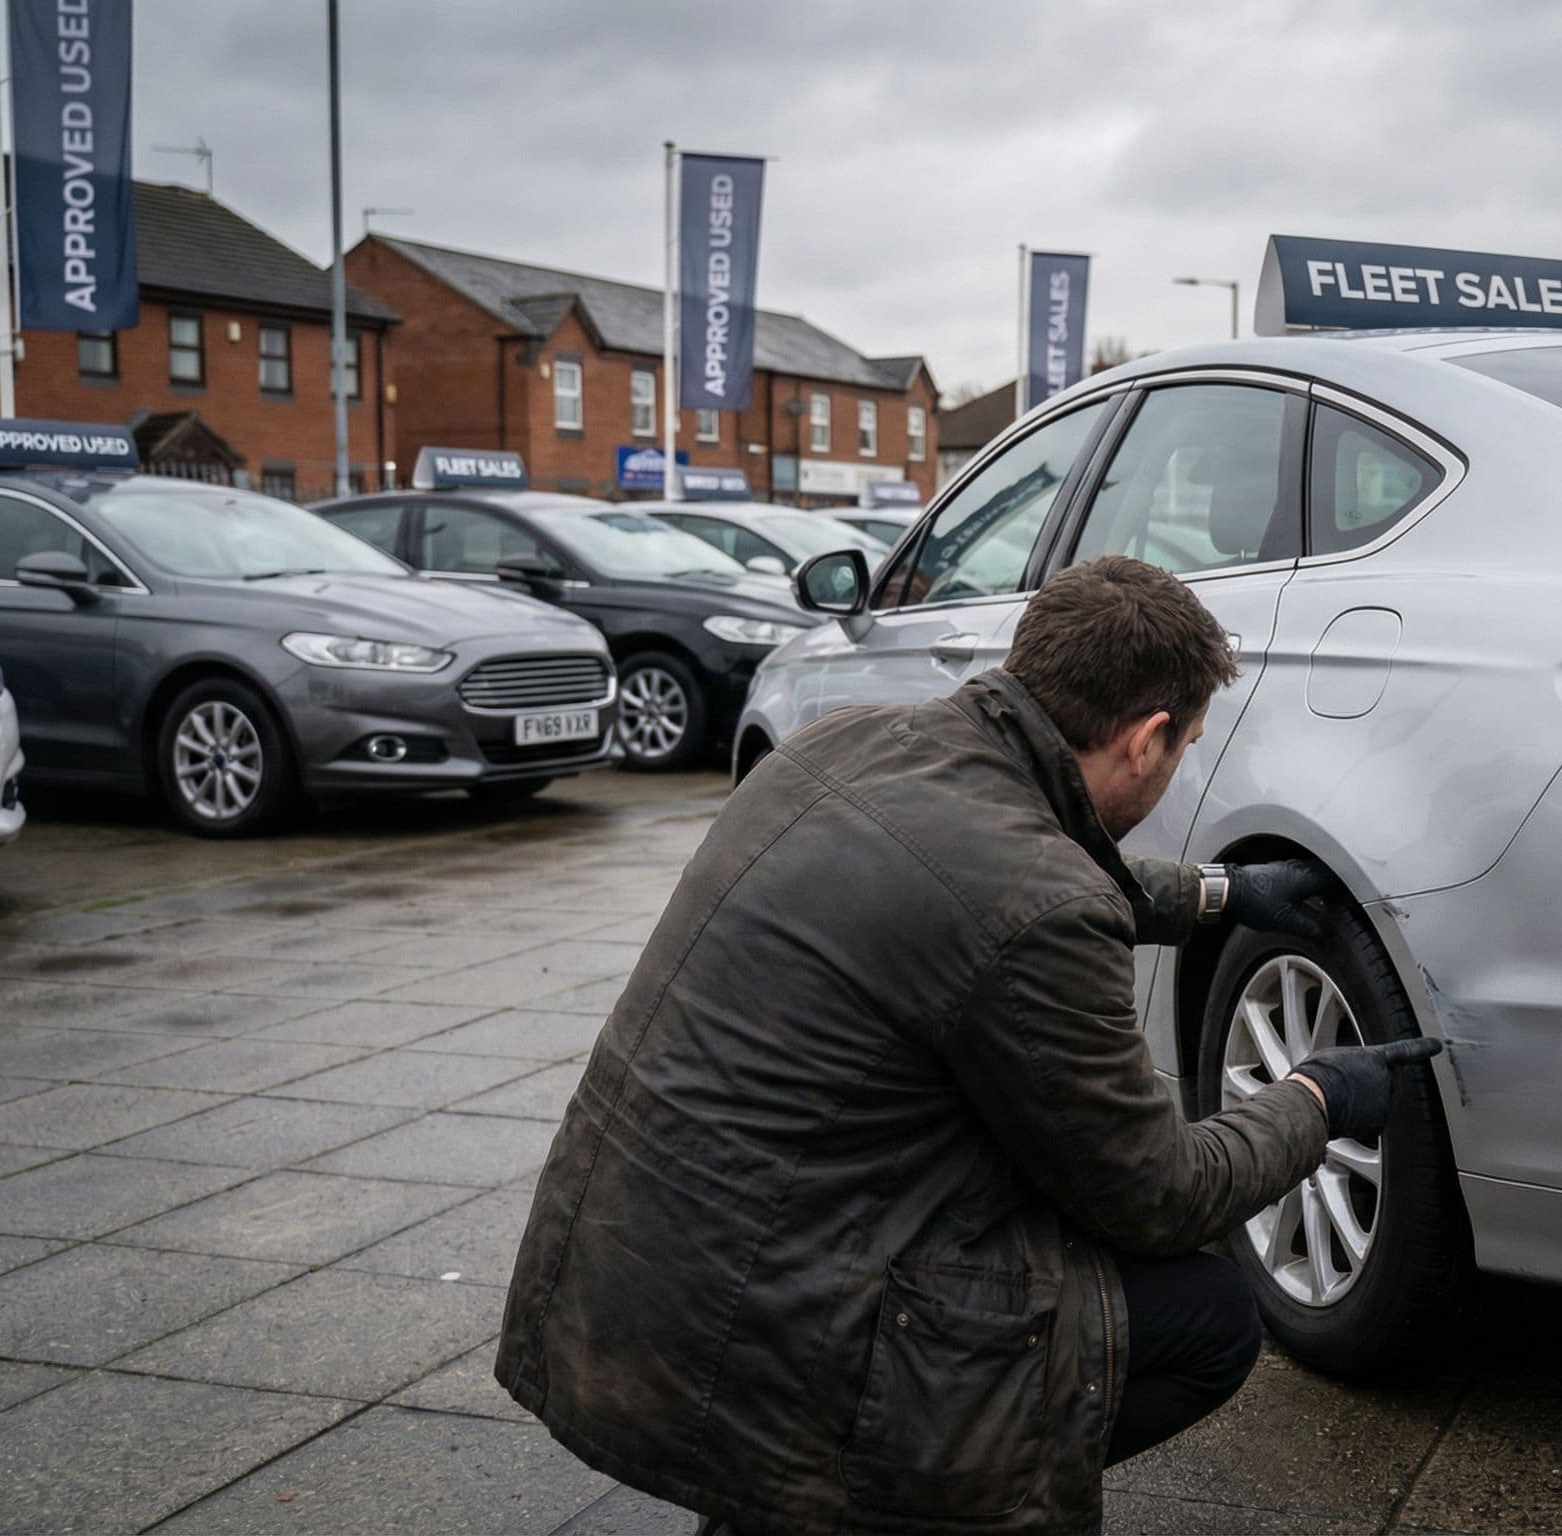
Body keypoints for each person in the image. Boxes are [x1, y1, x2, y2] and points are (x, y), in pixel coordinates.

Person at [497, 555, 1440, 1534]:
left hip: (625, 1284)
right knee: (1206, 1318)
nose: (1179, 769)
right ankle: (879, 1501)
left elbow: (984, 876)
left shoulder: (849, 744)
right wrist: (1315, 1099)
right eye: (1186, 747)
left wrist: (1218, 893)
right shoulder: (1038, 906)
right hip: (767, 1337)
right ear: (1144, 740)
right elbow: (1159, 1197)